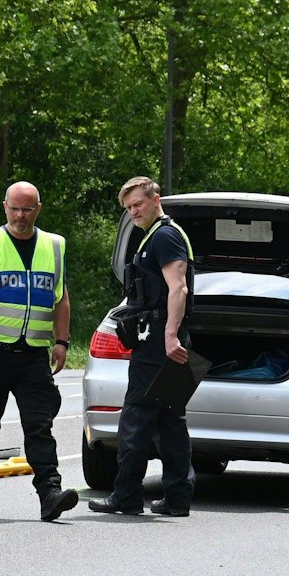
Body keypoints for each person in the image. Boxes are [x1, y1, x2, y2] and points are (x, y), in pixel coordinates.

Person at [0, 181, 78, 521]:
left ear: (39, 208)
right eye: (15, 209)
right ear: (5, 207)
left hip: (33, 354)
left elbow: (60, 297)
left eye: (27, 209)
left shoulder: (55, 246)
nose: (21, 216)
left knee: (39, 426)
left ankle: (50, 494)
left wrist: (62, 341)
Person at [89, 176, 196, 517]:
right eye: (128, 207)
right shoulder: (157, 235)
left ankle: (126, 496)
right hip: (166, 341)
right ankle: (177, 499)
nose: (133, 212)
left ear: (155, 199)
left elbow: (178, 289)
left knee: (136, 419)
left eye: (138, 204)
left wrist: (169, 336)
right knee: (170, 421)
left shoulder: (165, 236)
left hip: (159, 344)